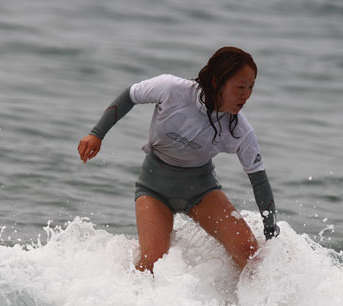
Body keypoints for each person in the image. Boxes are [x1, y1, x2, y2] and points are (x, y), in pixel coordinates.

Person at [77, 46, 279, 273]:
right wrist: (97, 134)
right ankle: (124, 284)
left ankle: (233, 294)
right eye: (240, 87)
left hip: (201, 191)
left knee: (249, 253)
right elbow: (129, 96)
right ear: (216, 81)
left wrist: (270, 229)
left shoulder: (240, 130)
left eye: (251, 87)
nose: (246, 95)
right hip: (154, 188)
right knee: (153, 263)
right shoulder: (172, 90)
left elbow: (259, 180)